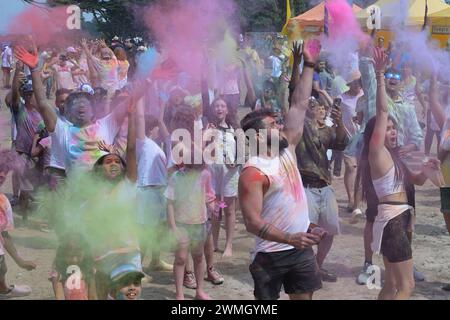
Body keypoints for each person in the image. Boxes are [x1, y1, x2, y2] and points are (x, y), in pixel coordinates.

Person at [238, 41, 324, 300]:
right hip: (271, 256)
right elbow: (252, 222)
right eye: (273, 125)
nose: (280, 127)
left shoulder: (286, 148)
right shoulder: (253, 172)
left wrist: (309, 64)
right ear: (259, 136)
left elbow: (298, 105)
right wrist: (290, 238)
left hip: (300, 250)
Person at [358, 47, 443, 300]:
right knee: (407, 288)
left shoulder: (394, 157)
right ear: (376, 135)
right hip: (393, 221)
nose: (393, 131)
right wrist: (380, 75)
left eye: (395, 129)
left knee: (391, 285)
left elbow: (416, 181)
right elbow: (382, 112)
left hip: (394, 220)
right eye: (388, 129)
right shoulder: (377, 152)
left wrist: (428, 171)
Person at [15, 40, 136, 172]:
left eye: (85, 102)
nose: (81, 105)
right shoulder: (63, 130)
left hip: (103, 190)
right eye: (76, 103)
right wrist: (34, 70)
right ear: (69, 111)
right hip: (76, 190)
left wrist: (151, 77)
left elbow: (131, 101)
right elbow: (42, 103)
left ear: (93, 110)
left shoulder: (105, 125)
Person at [296, 96, 349, 283]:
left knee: (330, 230)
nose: (322, 111)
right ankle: (309, 268)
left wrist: (340, 121)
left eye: (324, 109)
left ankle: (317, 265)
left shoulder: (327, 131)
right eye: (318, 108)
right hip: (306, 186)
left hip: (325, 186)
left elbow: (342, 143)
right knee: (308, 231)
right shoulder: (301, 129)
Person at [165, 145, 216, 300]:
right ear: (187, 165)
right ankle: (179, 294)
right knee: (180, 258)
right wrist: (173, 227)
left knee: (198, 256)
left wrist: (213, 206)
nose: (197, 172)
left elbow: (208, 194)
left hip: (199, 222)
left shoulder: (205, 175)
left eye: (199, 169)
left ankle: (199, 291)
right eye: (194, 169)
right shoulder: (176, 178)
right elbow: (170, 203)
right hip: (182, 223)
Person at [135, 98, 172, 272]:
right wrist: (140, 97)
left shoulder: (155, 145)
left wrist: (162, 107)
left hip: (158, 190)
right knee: (145, 231)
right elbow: (141, 118)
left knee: (158, 229)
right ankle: (138, 267)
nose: (160, 130)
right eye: (156, 127)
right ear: (150, 129)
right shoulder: (142, 143)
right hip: (146, 190)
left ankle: (155, 260)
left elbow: (166, 133)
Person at [0, 150, 37, 298]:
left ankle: (3, 291)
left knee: (2, 267)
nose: (2, 175)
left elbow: (4, 234)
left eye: (5, 171)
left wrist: (20, 261)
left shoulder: (3, 202)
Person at [338, 73, 364, 216]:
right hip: (348, 138)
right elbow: (335, 117)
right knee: (350, 167)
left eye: (359, 82)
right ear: (348, 84)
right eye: (354, 82)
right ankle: (350, 199)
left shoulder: (365, 96)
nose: (357, 84)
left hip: (363, 137)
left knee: (361, 170)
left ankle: (357, 202)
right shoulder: (341, 98)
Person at [50, 233, 96, 300]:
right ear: (63, 254)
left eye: (79, 256)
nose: (74, 260)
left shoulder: (89, 270)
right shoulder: (58, 274)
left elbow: (92, 296)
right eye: (70, 256)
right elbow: (59, 297)